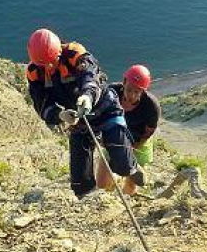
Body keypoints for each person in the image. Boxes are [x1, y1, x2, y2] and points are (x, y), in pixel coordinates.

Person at [25, 28, 144, 198]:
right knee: (79, 183)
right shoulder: (35, 73)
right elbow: (42, 105)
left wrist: (87, 97)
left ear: (59, 51)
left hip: (104, 108)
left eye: (52, 61)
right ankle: (92, 202)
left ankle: (128, 163)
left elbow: (91, 78)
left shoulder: (76, 54)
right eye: (43, 64)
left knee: (123, 166)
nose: (49, 67)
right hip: (78, 119)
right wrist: (60, 114)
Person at [96, 64, 161, 196]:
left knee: (132, 181)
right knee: (102, 183)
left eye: (137, 92)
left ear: (143, 91)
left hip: (139, 142)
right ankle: (111, 192)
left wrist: (135, 146)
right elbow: (99, 115)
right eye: (129, 89)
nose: (131, 95)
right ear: (124, 82)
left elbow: (149, 131)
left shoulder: (151, 106)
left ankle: (125, 202)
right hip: (113, 138)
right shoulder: (111, 93)